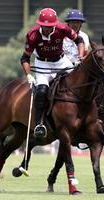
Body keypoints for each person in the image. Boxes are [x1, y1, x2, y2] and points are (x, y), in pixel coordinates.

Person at [20, 8, 84, 138]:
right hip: (43, 64)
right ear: (40, 24)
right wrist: (28, 75)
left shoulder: (62, 28)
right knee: (42, 91)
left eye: (50, 26)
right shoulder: (32, 35)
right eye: (44, 26)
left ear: (54, 24)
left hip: (61, 62)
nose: (47, 29)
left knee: (81, 82)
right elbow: (25, 58)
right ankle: (40, 124)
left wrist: (81, 56)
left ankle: (90, 116)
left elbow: (80, 40)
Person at [63, 9, 104, 139]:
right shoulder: (61, 36)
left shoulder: (84, 37)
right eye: (73, 22)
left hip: (79, 69)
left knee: (102, 83)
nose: (76, 25)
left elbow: (85, 55)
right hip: (62, 68)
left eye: (78, 22)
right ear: (68, 23)